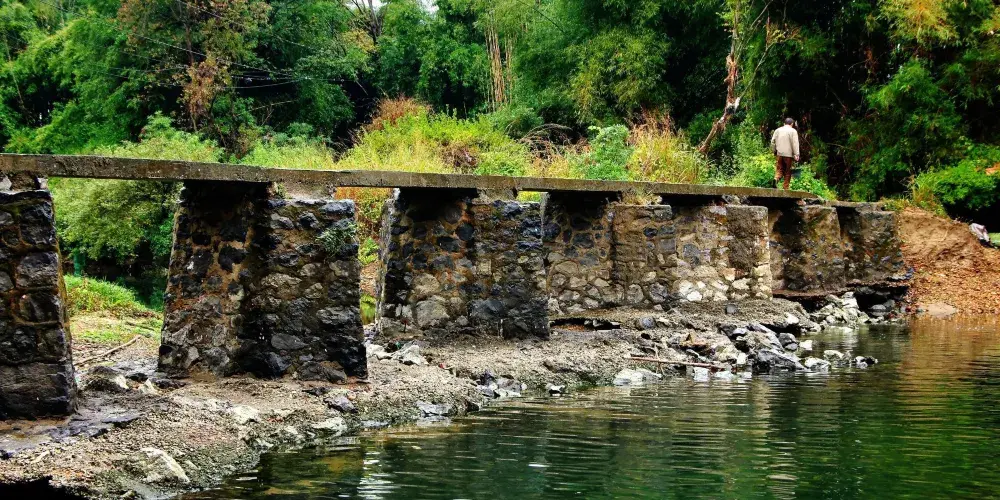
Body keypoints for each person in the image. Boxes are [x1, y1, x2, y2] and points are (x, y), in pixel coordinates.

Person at [770, 118, 800, 189]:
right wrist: (796, 154)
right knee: (788, 172)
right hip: (789, 155)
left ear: (784, 123)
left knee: (779, 169)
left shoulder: (777, 130)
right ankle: (785, 188)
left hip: (779, 154)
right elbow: (795, 143)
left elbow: (773, 142)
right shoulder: (793, 131)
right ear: (792, 124)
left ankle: (776, 178)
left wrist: (774, 151)